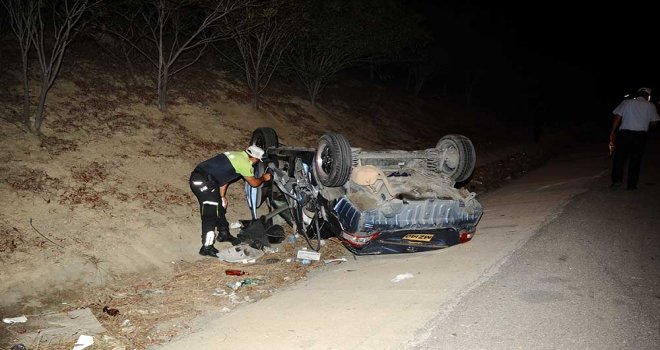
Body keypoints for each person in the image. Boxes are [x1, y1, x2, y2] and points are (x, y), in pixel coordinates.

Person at [189, 145, 272, 257]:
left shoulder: (236, 155)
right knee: (210, 214)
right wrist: (264, 178)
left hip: (208, 180)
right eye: (258, 161)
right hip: (202, 183)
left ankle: (224, 234)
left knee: (220, 205)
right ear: (255, 158)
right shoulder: (245, 164)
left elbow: (224, 177)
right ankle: (206, 248)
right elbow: (254, 183)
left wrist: (222, 196)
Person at [609, 87, 659, 190]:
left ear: (638, 94)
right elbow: (654, 123)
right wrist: (644, 121)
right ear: (648, 96)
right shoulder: (651, 106)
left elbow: (617, 117)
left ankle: (617, 181)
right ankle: (631, 185)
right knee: (635, 160)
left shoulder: (626, 102)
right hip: (640, 136)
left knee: (619, 158)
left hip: (625, 134)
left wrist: (612, 132)